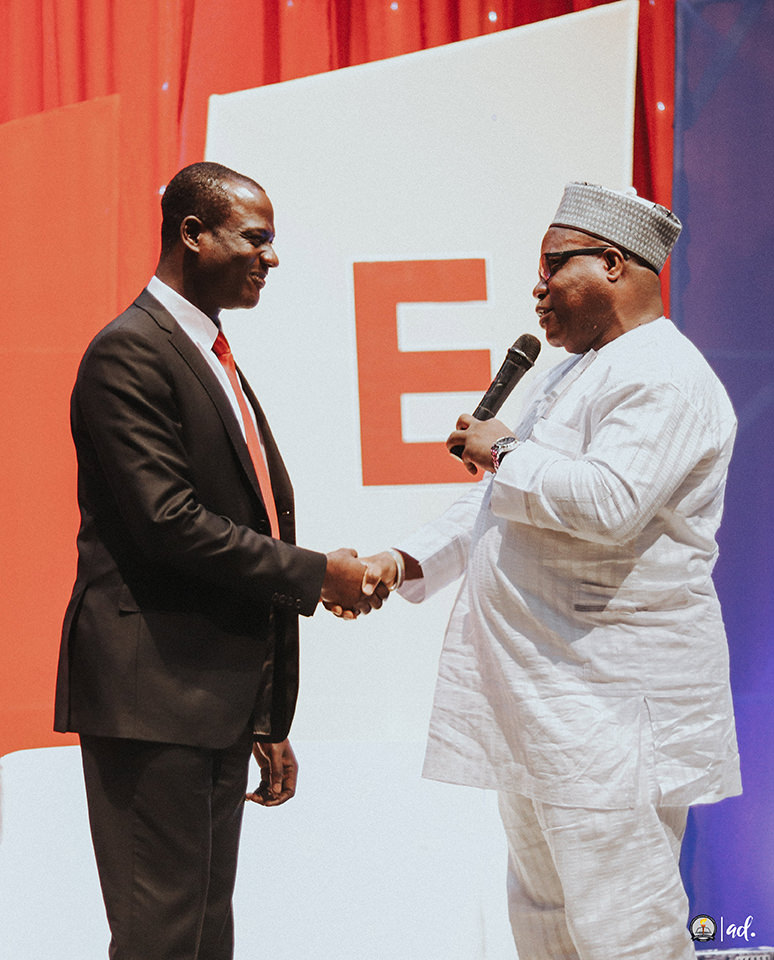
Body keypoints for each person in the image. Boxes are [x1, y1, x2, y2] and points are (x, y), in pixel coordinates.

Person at [355, 183, 742, 960]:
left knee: (624, 928)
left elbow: (609, 502)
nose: (538, 288)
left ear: (613, 264)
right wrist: (404, 561)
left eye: (553, 266)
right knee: (542, 918)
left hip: (611, 710)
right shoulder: (578, 372)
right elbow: (502, 501)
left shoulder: (663, 374)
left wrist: (503, 449)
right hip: (543, 702)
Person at [54, 161, 380, 960]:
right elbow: (170, 524)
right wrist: (318, 575)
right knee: (161, 938)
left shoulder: (207, 352)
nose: (271, 257)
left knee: (204, 935)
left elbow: (242, 519)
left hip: (209, 702)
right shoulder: (129, 353)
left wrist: (263, 713)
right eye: (255, 238)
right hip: (151, 697)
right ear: (193, 234)